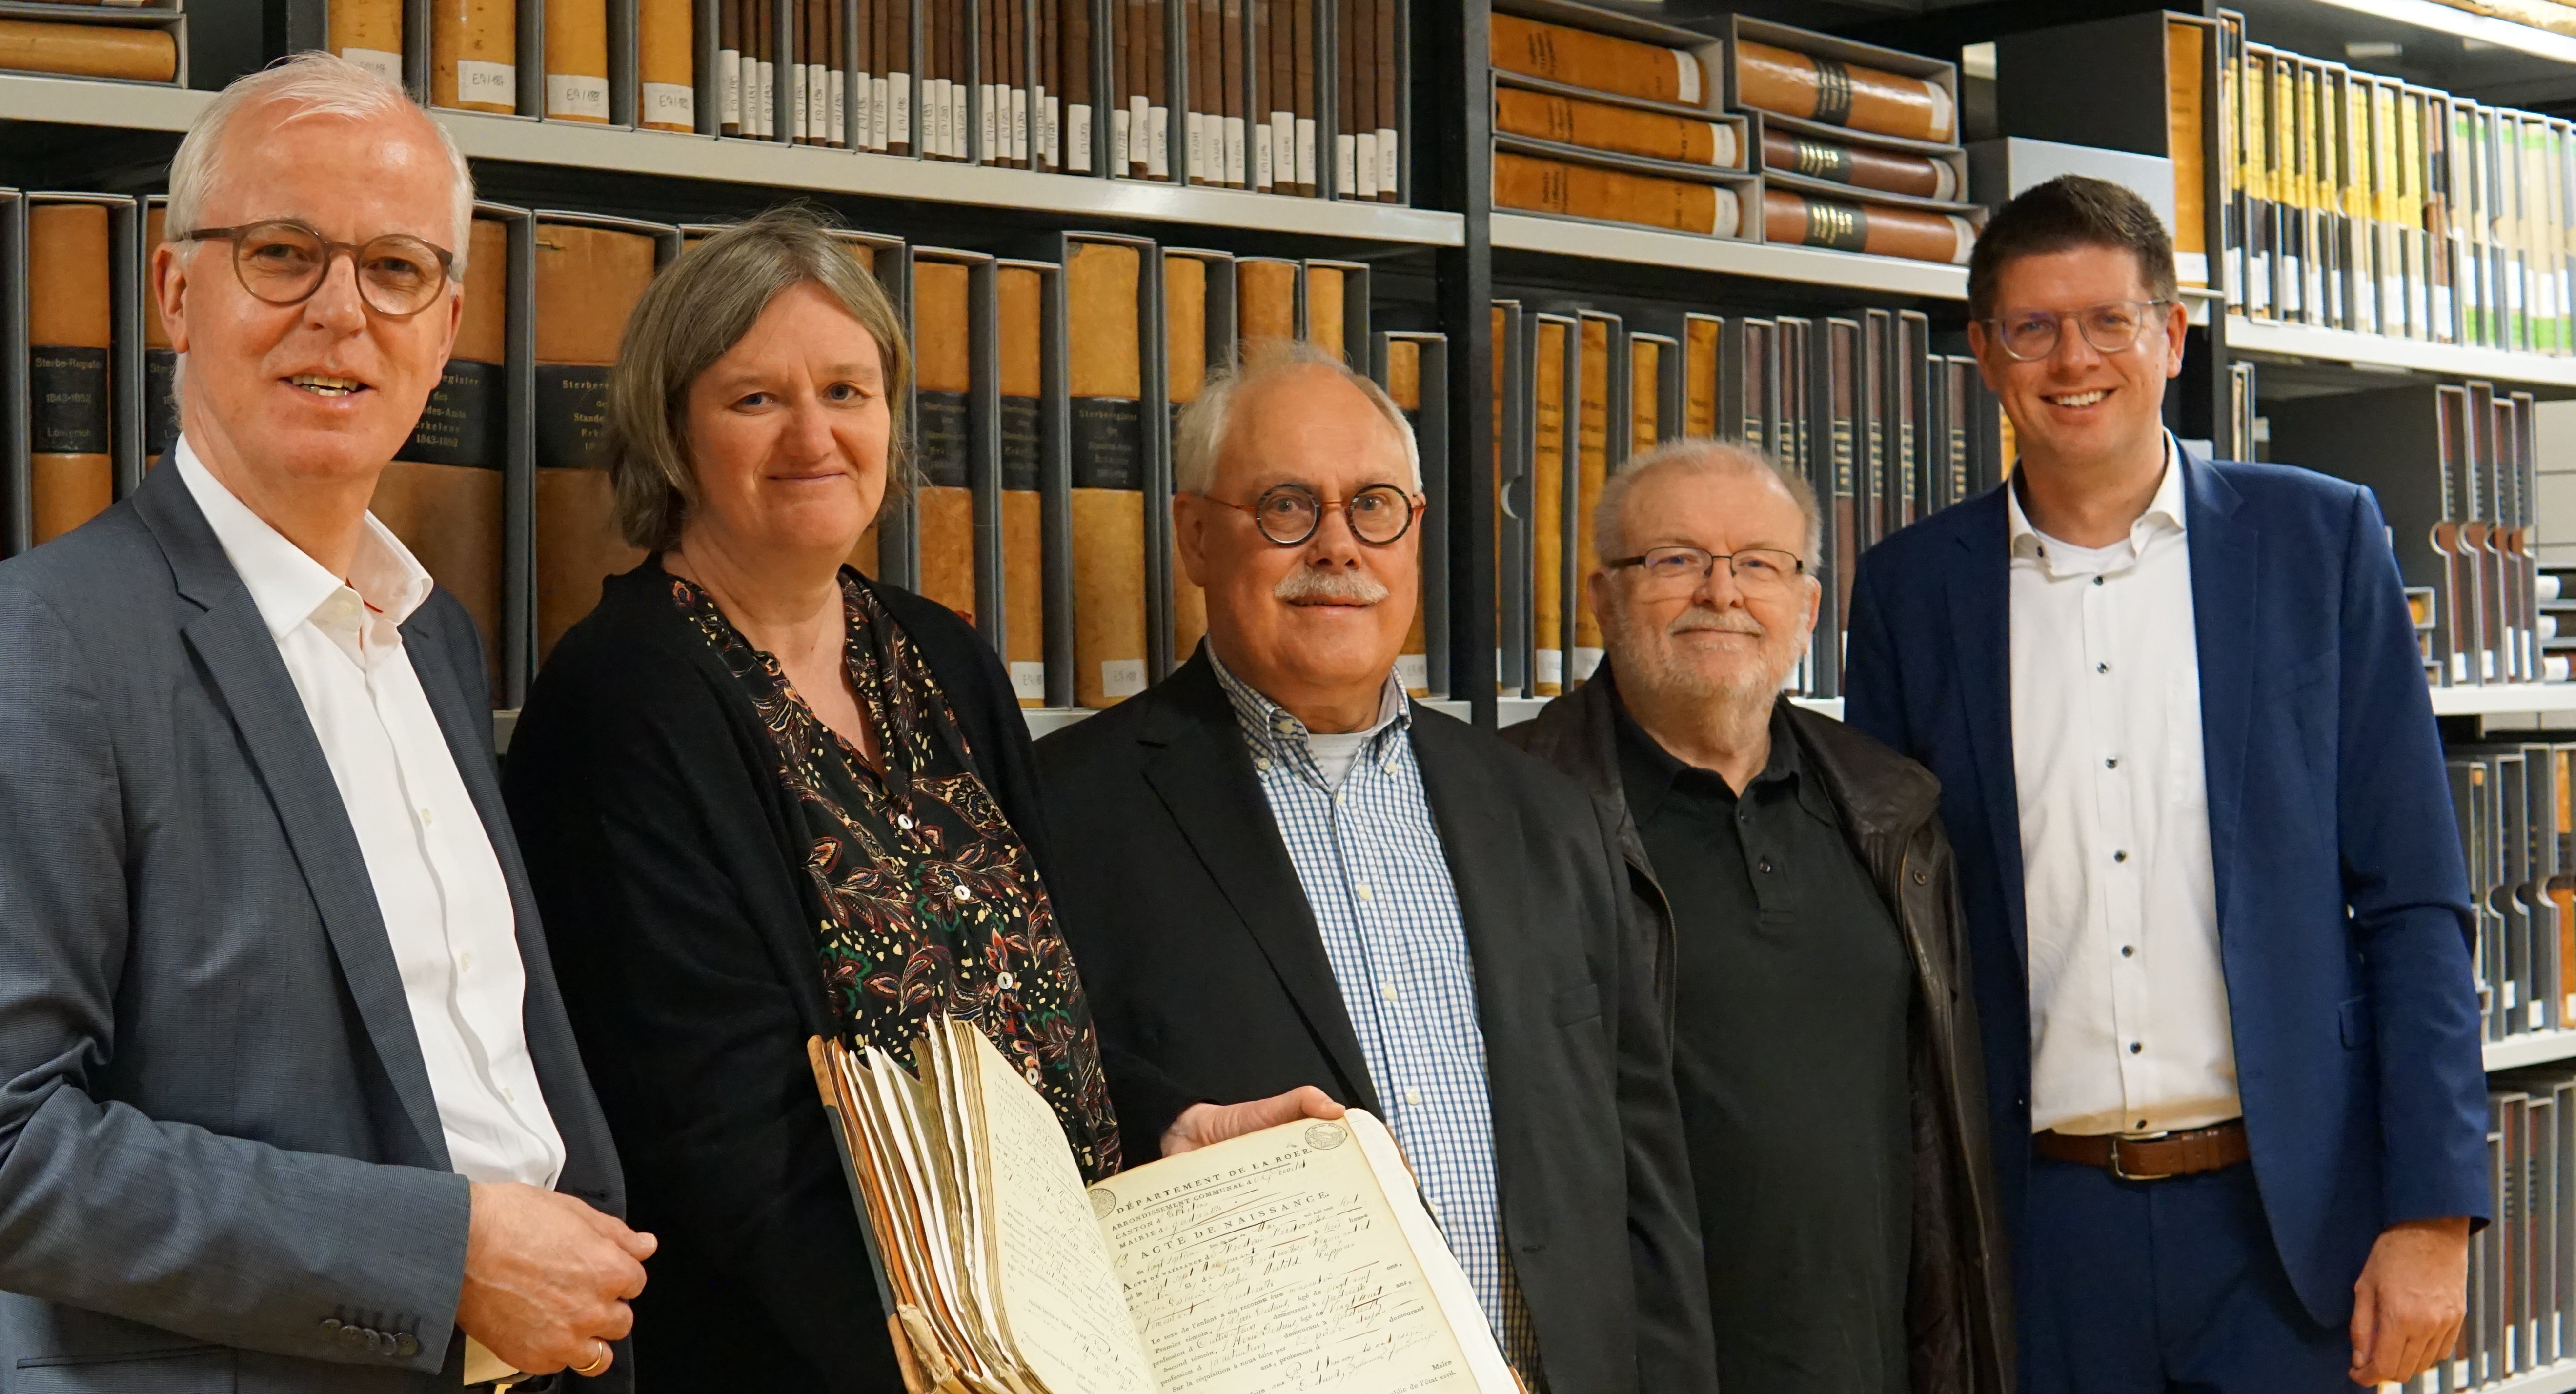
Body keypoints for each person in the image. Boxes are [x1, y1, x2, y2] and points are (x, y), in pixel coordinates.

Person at [0, 53, 651, 1393]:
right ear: (179, 291)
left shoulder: (436, 640)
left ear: (446, 322)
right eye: (283, 253)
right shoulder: (40, 643)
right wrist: (441, 1256)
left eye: (395, 268)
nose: (342, 312)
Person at [1846, 174, 2485, 1392]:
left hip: (2290, 1226)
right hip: (2039, 1232)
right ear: (1984, 353)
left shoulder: (2321, 541)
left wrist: (2434, 1214)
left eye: (2109, 320)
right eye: (2031, 327)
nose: (2071, 358)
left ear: (2172, 335)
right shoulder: (1914, 592)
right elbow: (1894, 931)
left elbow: (2413, 901)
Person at [501, 204, 1117, 1394]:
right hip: (815, 1359)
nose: (813, 436)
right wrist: (953, 1368)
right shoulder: (622, 701)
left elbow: (1055, 1006)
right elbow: (716, 1143)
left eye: (848, 389)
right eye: (755, 399)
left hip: (1055, 1325)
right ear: (672, 431)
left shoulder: (944, 657)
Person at [1034, 340, 1716, 1394]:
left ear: (1417, 536)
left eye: (1375, 507)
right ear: (1194, 536)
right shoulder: (1063, 812)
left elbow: (1645, 1185)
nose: (1338, 546)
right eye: (1286, 506)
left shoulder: (1549, 813)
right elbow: (1032, 1150)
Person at [1501, 439, 2011, 1394]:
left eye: (1759, 565)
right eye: (1675, 559)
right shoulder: (1505, 808)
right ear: (1600, 597)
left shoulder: (1894, 814)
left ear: (1808, 608)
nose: (1721, 593)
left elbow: (1941, 1155)